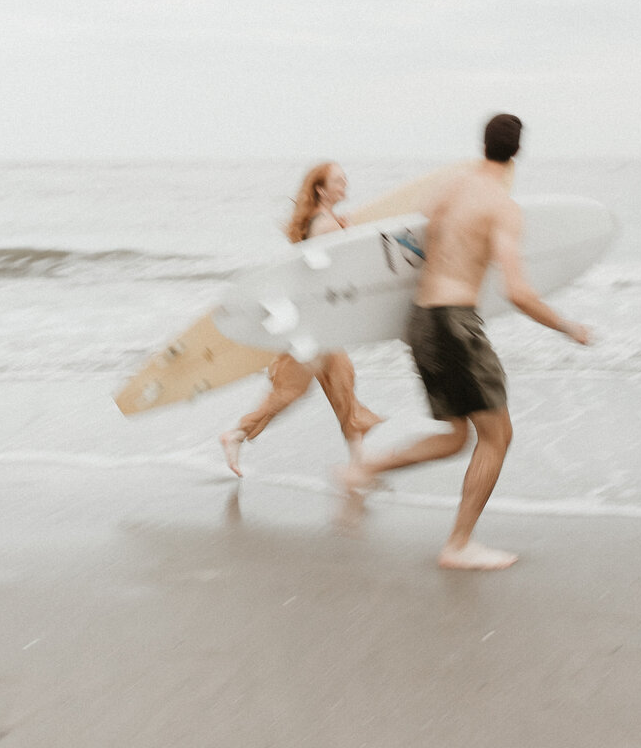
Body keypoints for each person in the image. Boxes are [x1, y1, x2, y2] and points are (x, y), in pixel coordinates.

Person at [340, 114, 590, 571]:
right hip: (455, 324)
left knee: (457, 436)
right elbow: (517, 291)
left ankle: (364, 469)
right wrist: (567, 326)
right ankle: (458, 545)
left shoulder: (450, 187)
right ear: (517, 152)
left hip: (420, 319)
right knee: (498, 436)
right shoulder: (503, 208)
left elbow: (405, 241)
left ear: (483, 144)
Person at [219, 162, 381, 477]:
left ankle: (359, 462)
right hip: (313, 327)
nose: (344, 182)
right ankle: (237, 434)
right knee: (294, 389)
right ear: (320, 189)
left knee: (342, 384)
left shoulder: (324, 221)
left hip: (317, 323)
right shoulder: (326, 224)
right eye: (337, 180)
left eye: (345, 177)